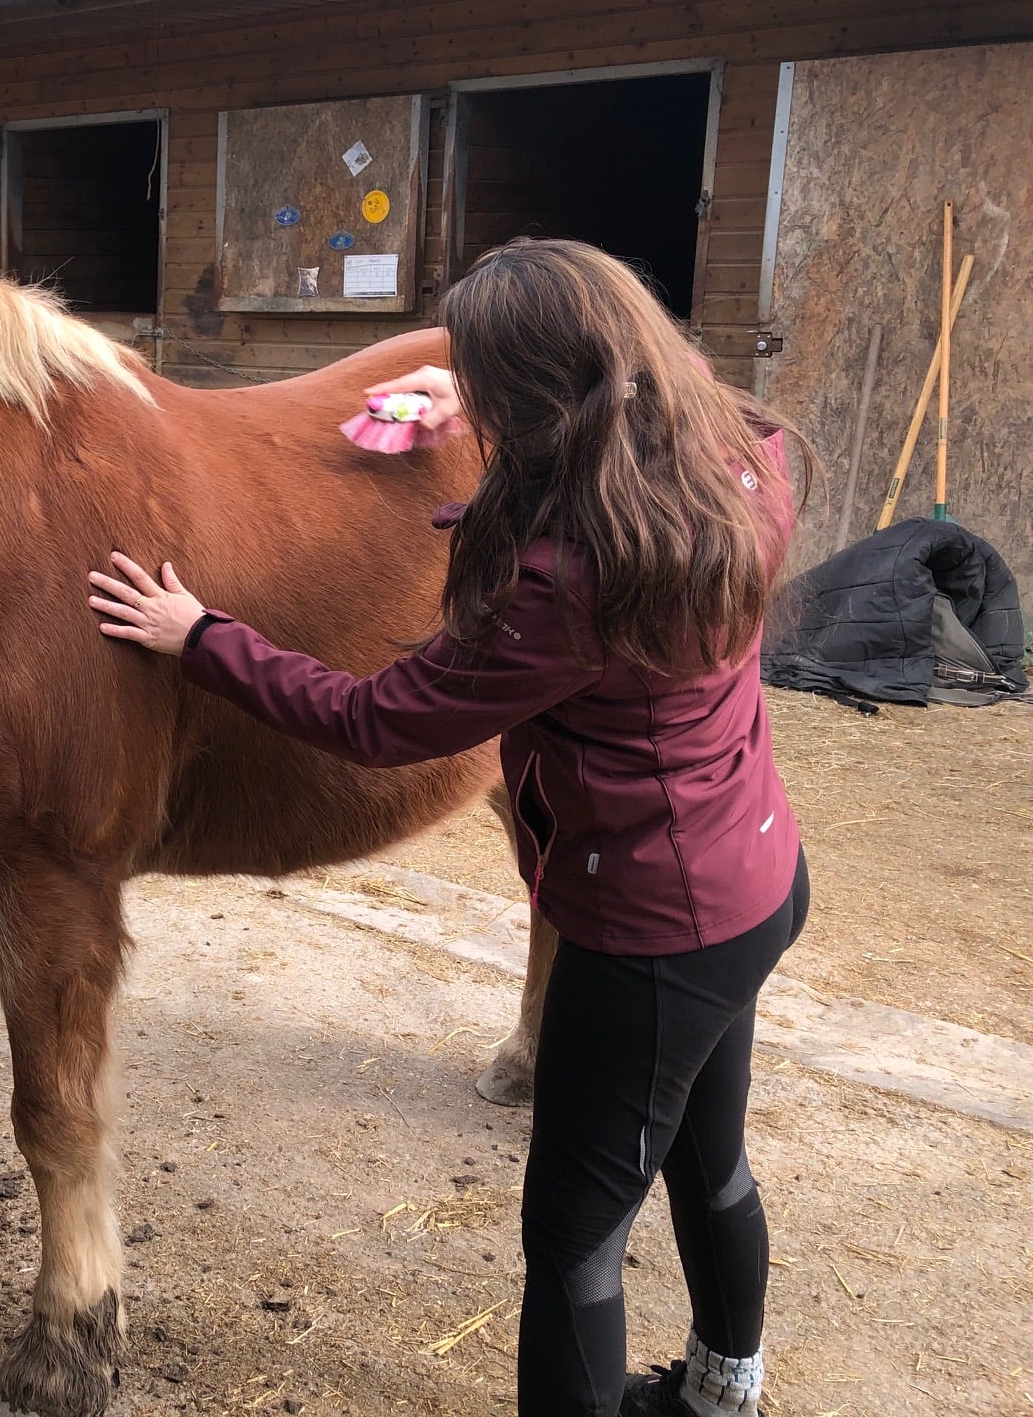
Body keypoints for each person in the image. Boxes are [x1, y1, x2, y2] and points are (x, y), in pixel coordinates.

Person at [87, 238, 808, 1417]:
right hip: (760, 874)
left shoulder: (565, 582)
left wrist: (202, 636)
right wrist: (468, 393)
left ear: (541, 393)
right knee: (711, 1160)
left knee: (573, 1242)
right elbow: (638, 398)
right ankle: (727, 1391)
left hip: (648, 937)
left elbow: (379, 720)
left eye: (486, 371)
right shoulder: (743, 456)